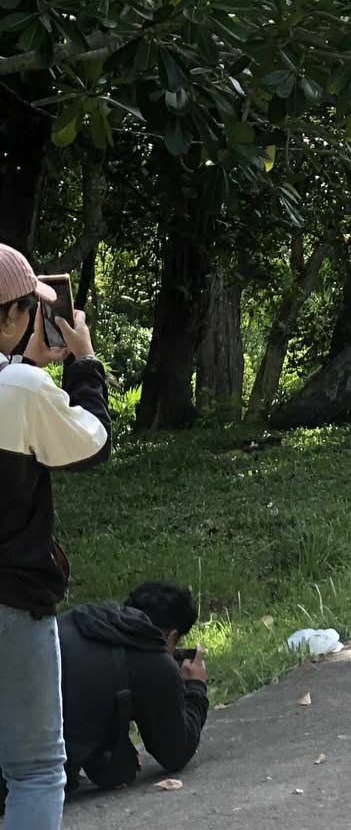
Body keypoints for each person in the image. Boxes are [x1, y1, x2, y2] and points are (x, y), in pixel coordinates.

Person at [0, 244, 111, 830]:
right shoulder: (18, 388)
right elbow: (89, 444)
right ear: (13, 317)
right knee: (37, 772)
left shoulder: (19, 383)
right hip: (12, 602)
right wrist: (84, 363)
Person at [54, 582, 209, 794]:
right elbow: (175, 752)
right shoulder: (154, 662)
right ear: (172, 636)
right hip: (24, 780)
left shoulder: (84, 622)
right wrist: (196, 688)